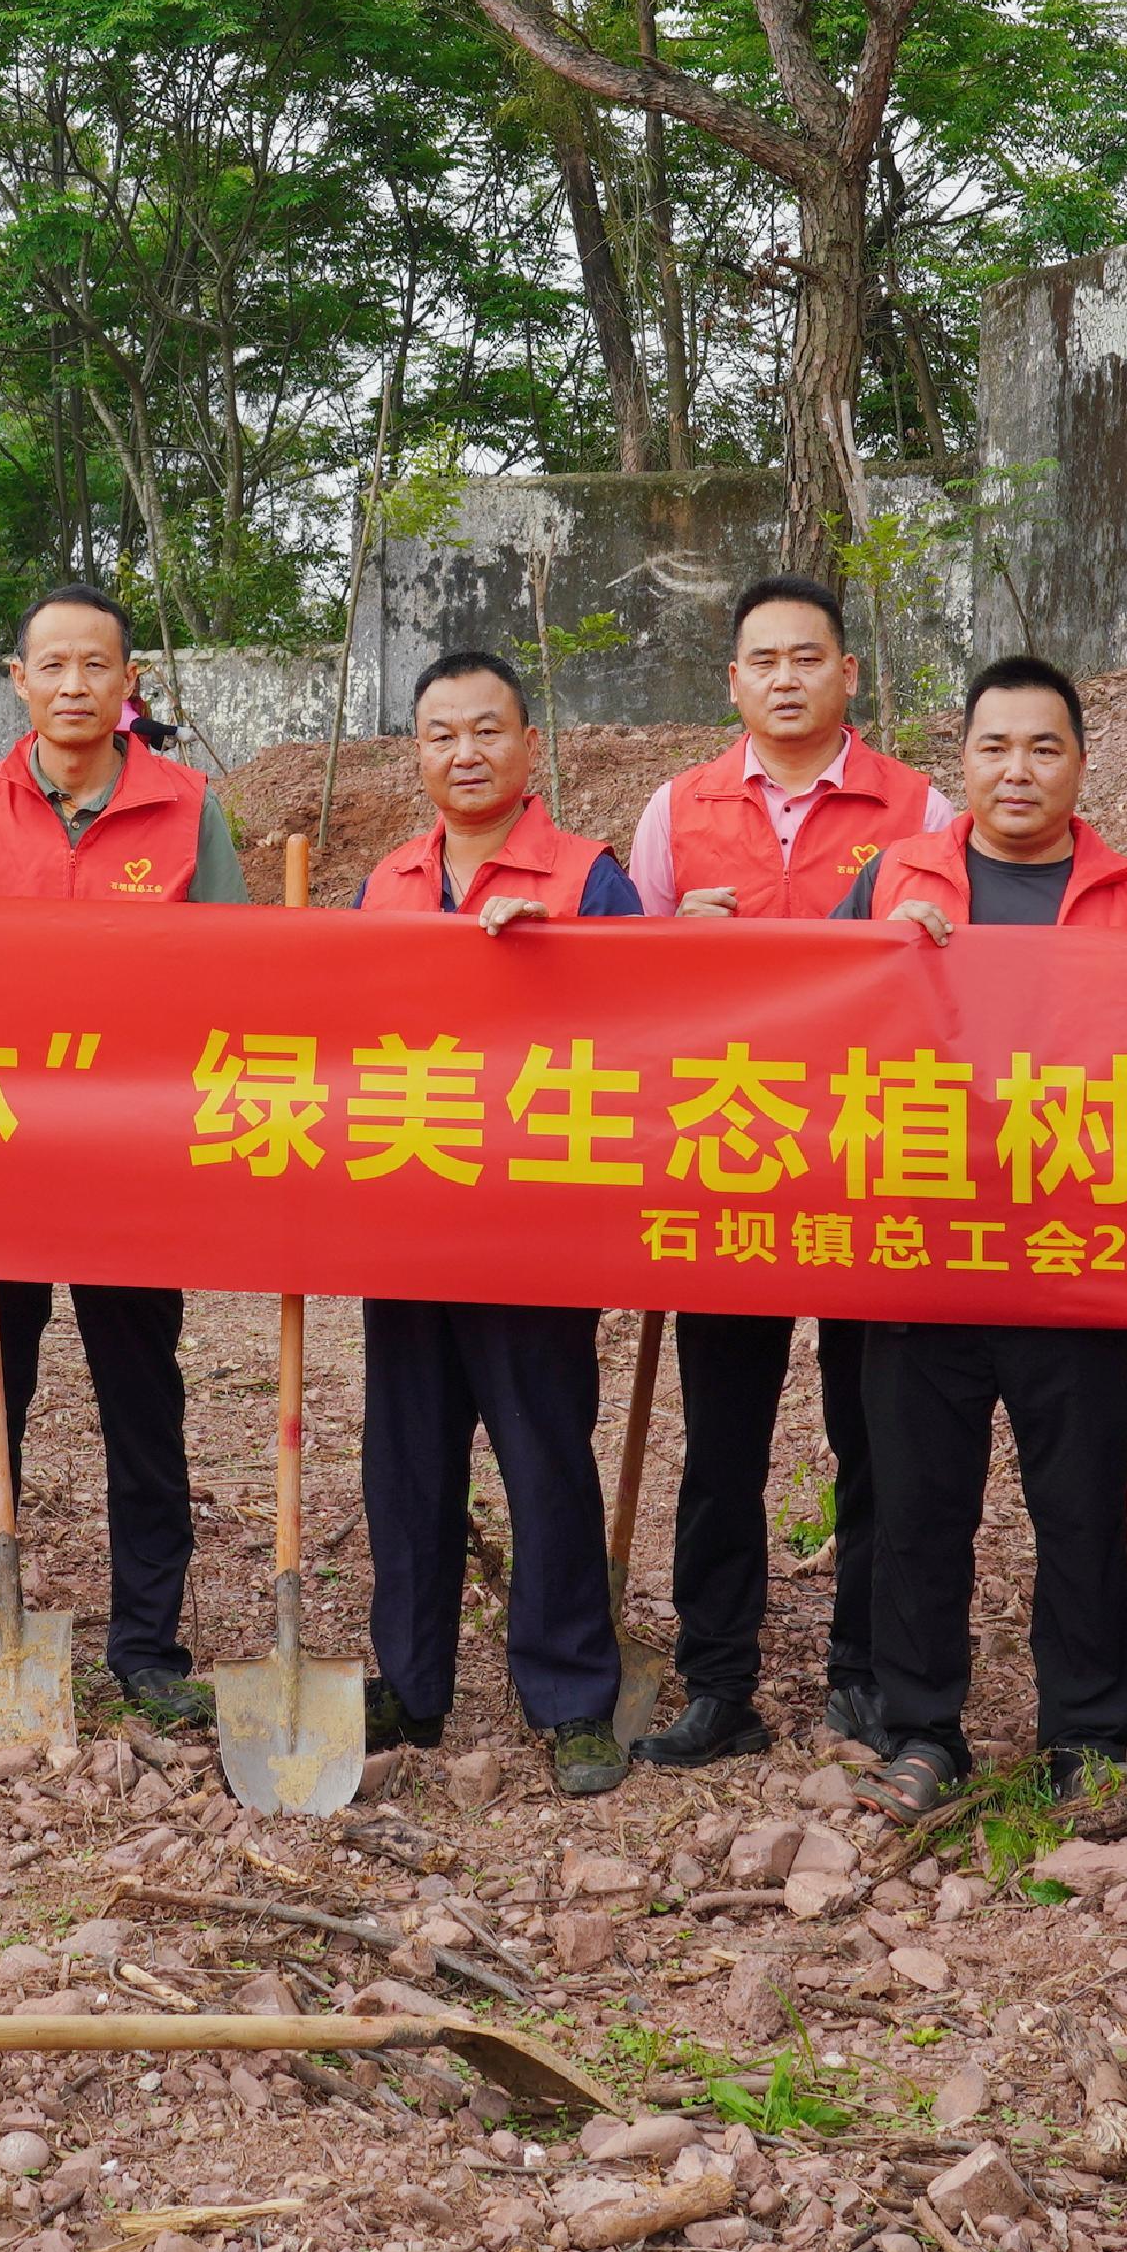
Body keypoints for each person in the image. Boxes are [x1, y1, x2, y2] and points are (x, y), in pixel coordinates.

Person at [820, 653, 1127, 1803]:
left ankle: (1085, 1733)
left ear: (1078, 762)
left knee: (1077, 1504)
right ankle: (921, 1726)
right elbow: (805, 1030)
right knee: (918, 1503)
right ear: (958, 761)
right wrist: (882, 966)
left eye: (1041, 747)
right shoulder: (889, 882)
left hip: (1073, 1257)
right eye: (992, 746)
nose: (1015, 770)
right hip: (922, 1252)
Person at [626, 573, 955, 1774]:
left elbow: (960, 980)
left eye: (806, 657)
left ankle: (866, 1673)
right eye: (760, 659)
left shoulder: (921, 804)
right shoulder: (677, 808)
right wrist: (674, 945)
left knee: (879, 1431)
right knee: (722, 1439)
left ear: (847, 674)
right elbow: (623, 996)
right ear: (731, 680)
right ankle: (718, 1680)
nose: (783, 677)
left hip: (876, 1157)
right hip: (732, 1162)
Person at [0, 581, 237, 1730]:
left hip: (131, 1162)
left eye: (96, 665)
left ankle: (147, 1644)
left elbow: (241, 981)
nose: (74, 685)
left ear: (127, 681)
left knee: (141, 1403)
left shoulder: (187, 809)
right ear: (18, 679)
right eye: (52, 665)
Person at [347, 648, 641, 1797]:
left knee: (542, 1457)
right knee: (404, 1460)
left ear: (528, 745)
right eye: (438, 734)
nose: (462, 754)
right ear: (414, 752)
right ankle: (410, 1685)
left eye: (485, 731)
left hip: (535, 1227)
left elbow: (644, 1027)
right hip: (410, 1212)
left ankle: (571, 1695)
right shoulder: (387, 880)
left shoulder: (587, 876)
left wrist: (555, 965)